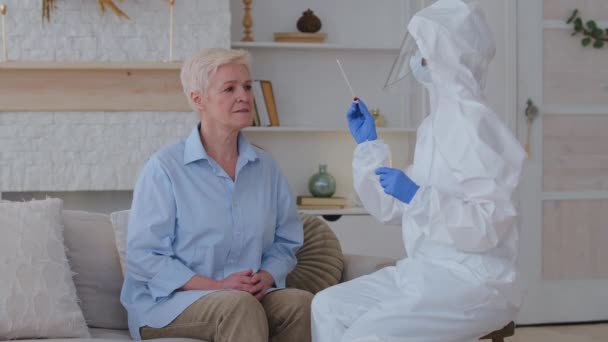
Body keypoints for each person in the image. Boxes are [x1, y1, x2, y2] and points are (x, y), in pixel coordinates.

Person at [311, 0, 526, 341]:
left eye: (424, 51)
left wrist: (418, 196)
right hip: (427, 269)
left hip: (476, 280)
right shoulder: (434, 126)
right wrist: (369, 146)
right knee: (328, 306)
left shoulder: (475, 126)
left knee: (368, 334)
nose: (416, 61)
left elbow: (489, 224)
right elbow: (391, 209)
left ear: (449, 57)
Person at [121, 48, 312, 342]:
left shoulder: (266, 167)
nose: (245, 97)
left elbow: (287, 241)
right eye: (229, 88)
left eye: (247, 87)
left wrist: (267, 276)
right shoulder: (165, 168)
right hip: (169, 305)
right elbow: (143, 256)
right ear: (198, 99)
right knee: (238, 306)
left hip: (245, 297)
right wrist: (215, 285)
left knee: (300, 305)